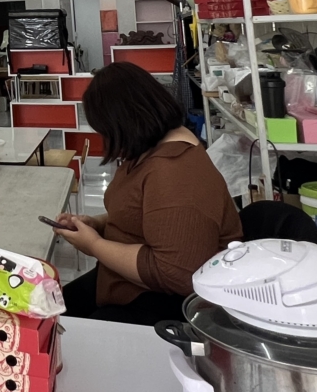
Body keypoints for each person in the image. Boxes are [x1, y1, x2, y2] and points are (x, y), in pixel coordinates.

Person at [54, 62, 242, 325]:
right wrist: (97, 224)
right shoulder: (149, 148)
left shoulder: (174, 171)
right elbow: (144, 213)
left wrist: (94, 245)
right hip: (121, 281)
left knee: (63, 331)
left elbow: (175, 272)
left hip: (161, 303)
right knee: (49, 310)